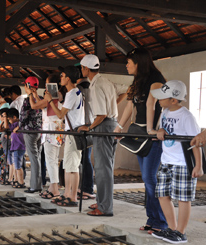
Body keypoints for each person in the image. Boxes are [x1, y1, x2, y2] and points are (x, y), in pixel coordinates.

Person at [114, 48, 167, 233]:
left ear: (139, 63)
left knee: (149, 177)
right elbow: (130, 105)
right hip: (142, 134)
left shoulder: (156, 79)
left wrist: (151, 129)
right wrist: (119, 127)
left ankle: (161, 222)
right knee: (147, 179)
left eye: (129, 62)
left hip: (153, 135)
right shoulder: (138, 80)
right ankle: (152, 219)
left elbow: (151, 104)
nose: (126, 65)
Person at [150, 80, 203, 243]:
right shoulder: (165, 111)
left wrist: (198, 165)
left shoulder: (186, 116)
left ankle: (181, 232)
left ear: (173, 100)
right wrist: (161, 130)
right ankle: (171, 229)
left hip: (182, 163)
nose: (158, 100)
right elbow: (163, 128)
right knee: (162, 194)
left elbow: (196, 142)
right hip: (166, 161)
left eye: (162, 97)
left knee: (183, 198)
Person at [77, 54, 118, 216]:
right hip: (110, 124)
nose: (81, 70)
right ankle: (102, 201)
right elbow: (123, 93)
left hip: (103, 126)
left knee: (102, 168)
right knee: (105, 166)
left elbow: (100, 115)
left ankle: (105, 207)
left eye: (82, 68)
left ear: (86, 68)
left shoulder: (96, 86)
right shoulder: (106, 81)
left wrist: (88, 127)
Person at [45, 66, 84, 206]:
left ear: (68, 78)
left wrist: (50, 100)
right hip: (72, 132)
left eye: (62, 75)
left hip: (73, 133)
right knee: (68, 166)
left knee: (72, 167)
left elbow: (61, 115)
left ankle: (72, 197)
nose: (60, 78)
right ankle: (67, 194)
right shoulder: (74, 92)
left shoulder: (72, 93)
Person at [28, 74, 63, 199]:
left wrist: (30, 95)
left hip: (51, 131)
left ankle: (54, 187)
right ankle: (53, 186)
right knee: (52, 159)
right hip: (55, 130)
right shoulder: (57, 96)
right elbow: (42, 105)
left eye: (48, 83)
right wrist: (36, 95)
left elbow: (34, 106)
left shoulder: (54, 96)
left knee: (51, 160)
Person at [15, 76, 43, 193]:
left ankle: (34, 186)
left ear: (28, 86)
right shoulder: (40, 98)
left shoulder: (28, 100)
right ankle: (38, 184)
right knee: (38, 158)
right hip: (40, 131)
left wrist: (19, 127)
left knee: (34, 158)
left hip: (29, 131)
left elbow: (23, 116)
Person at [4, 108, 26, 188]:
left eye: (9, 119)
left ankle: (21, 182)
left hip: (18, 147)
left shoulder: (19, 124)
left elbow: (7, 126)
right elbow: (6, 126)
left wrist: (5, 117)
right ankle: (18, 181)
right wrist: (5, 117)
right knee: (17, 166)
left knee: (18, 166)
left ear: (14, 117)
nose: (9, 121)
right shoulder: (14, 125)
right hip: (15, 148)